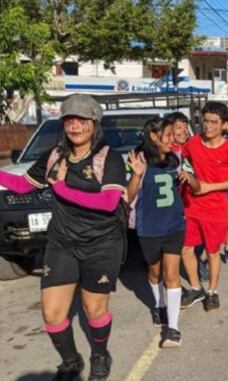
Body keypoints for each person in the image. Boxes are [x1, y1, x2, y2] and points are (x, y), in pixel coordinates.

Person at [0, 94, 128, 380]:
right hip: (62, 244)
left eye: (82, 120)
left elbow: (108, 203)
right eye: (70, 119)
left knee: (94, 310)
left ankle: (100, 354)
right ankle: (71, 361)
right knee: (53, 314)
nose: (75, 125)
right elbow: (23, 185)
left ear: (94, 123)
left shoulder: (109, 158)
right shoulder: (54, 156)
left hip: (101, 244)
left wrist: (62, 190)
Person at [127, 117, 192, 348]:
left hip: (174, 225)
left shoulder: (175, 158)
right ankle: (159, 305)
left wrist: (188, 177)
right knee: (155, 272)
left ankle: (173, 329)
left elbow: (188, 183)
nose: (173, 138)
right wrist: (136, 174)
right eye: (168, 134)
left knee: (172, 274)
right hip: (149, 228)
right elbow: (128, 196)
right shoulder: (139, 158)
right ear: (154, 137)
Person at [179, 102, 228, 312]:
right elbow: (182, 162)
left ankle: (212, 292)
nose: (207, 126)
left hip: (216, 209)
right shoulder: (193, 143)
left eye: (213, 122)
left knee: (212, 252)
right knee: (186, 249)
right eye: (205, 121)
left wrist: (210, 187)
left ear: (224, 125)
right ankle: (196, 287)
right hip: (191, 207)